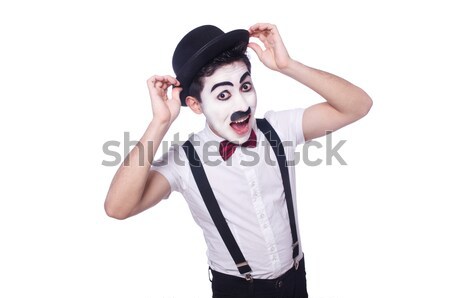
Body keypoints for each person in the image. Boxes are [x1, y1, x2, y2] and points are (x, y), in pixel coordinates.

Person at [104, 23, 372, 298]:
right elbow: (118, 207)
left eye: (245, 86)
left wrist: (288, 66)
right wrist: (160, 122)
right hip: (236, 290)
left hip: (295, 281)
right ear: (196, 105)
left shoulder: (279, 129)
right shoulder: (184, 161)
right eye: (223, 95)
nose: (242, 105)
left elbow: (357, 105)